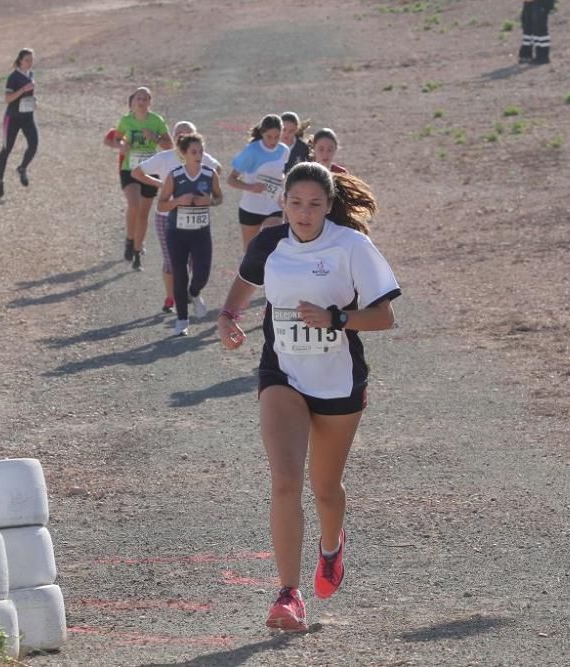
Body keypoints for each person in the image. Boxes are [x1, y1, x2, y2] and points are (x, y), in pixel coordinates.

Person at [216, 162, 401, 632]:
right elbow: (246, 279)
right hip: (283, 372)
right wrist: (229, 314)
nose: (304, 212)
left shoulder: (351, 246)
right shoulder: (269, 241)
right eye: (295, 202)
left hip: (338, 381)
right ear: (283, 203)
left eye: (315, 203)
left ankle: (332, 545)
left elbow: (384, 318)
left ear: (329, 205)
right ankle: (288, 594)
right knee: (284, 480)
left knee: (325, 488)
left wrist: (336, 318)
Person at [133, 121, 222, 314]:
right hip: (167, 216)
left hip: (195, 217)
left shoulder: (201, 156)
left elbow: (218, 171)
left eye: (187, 133)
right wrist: (162, 185)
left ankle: (192, 292)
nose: (182, 136)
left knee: (195, 261)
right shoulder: (164, 157)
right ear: (174, 138)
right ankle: (171, 297)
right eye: (179, 133)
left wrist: (204, 194)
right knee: (171, 262)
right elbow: (137, 172)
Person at [156, 133, 223, 336]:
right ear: (183, 154)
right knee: (180, 274)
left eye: (201, 151)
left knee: (202, 274)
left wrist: (209, 202)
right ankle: (182, 320)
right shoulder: (175, 176)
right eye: (194, 152)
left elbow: (219, 197)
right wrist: (178, 201)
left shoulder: (210, 174)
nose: (199, 155)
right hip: (177, 233)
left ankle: (194, 293)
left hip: (201, 233)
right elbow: (161, 204)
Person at [105, 87, 172, 270]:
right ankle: (129, 239)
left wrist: (156, 138)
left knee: (143, 214)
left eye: (145, 98)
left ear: (150, 102)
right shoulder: (126, 121)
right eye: (138, 98)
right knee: (134, 205)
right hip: (129, 169)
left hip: (151, 171)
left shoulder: (156, 121)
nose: (141, 101)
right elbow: (114, 140)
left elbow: (170, 146)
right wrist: (121, 146)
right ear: (133, 102)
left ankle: (136, 251)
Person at [227, 114, 289, 251]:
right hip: (251, 209)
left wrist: (281, 187)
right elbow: (231, 180)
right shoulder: (251, 151)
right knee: (250, 253)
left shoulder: (284, 150)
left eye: (277, 137)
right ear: (262, 133)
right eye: (269, 137)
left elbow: (280, 174)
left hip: (274, 206)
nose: (273, 141)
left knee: (274, 245)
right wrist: (251, 187)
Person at [0, 48, 38, 198]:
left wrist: (33, 100)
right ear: (20, 60)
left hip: (28, 118)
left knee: (34, 145)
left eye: (32, 60)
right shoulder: (13, 77)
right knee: (6, 149)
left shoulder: (31, 74)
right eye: (27, 60)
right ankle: (0, 179)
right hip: (12, 119)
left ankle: (22, 168)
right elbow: (7, 99)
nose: (30, 63)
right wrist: (23, 90)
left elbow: (29, 94)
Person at [519, 0, 555, 65]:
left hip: (541, 3)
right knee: (527, 26)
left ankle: (543, 56)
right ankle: (526, 54)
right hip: (529, 3)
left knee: (540, 27)